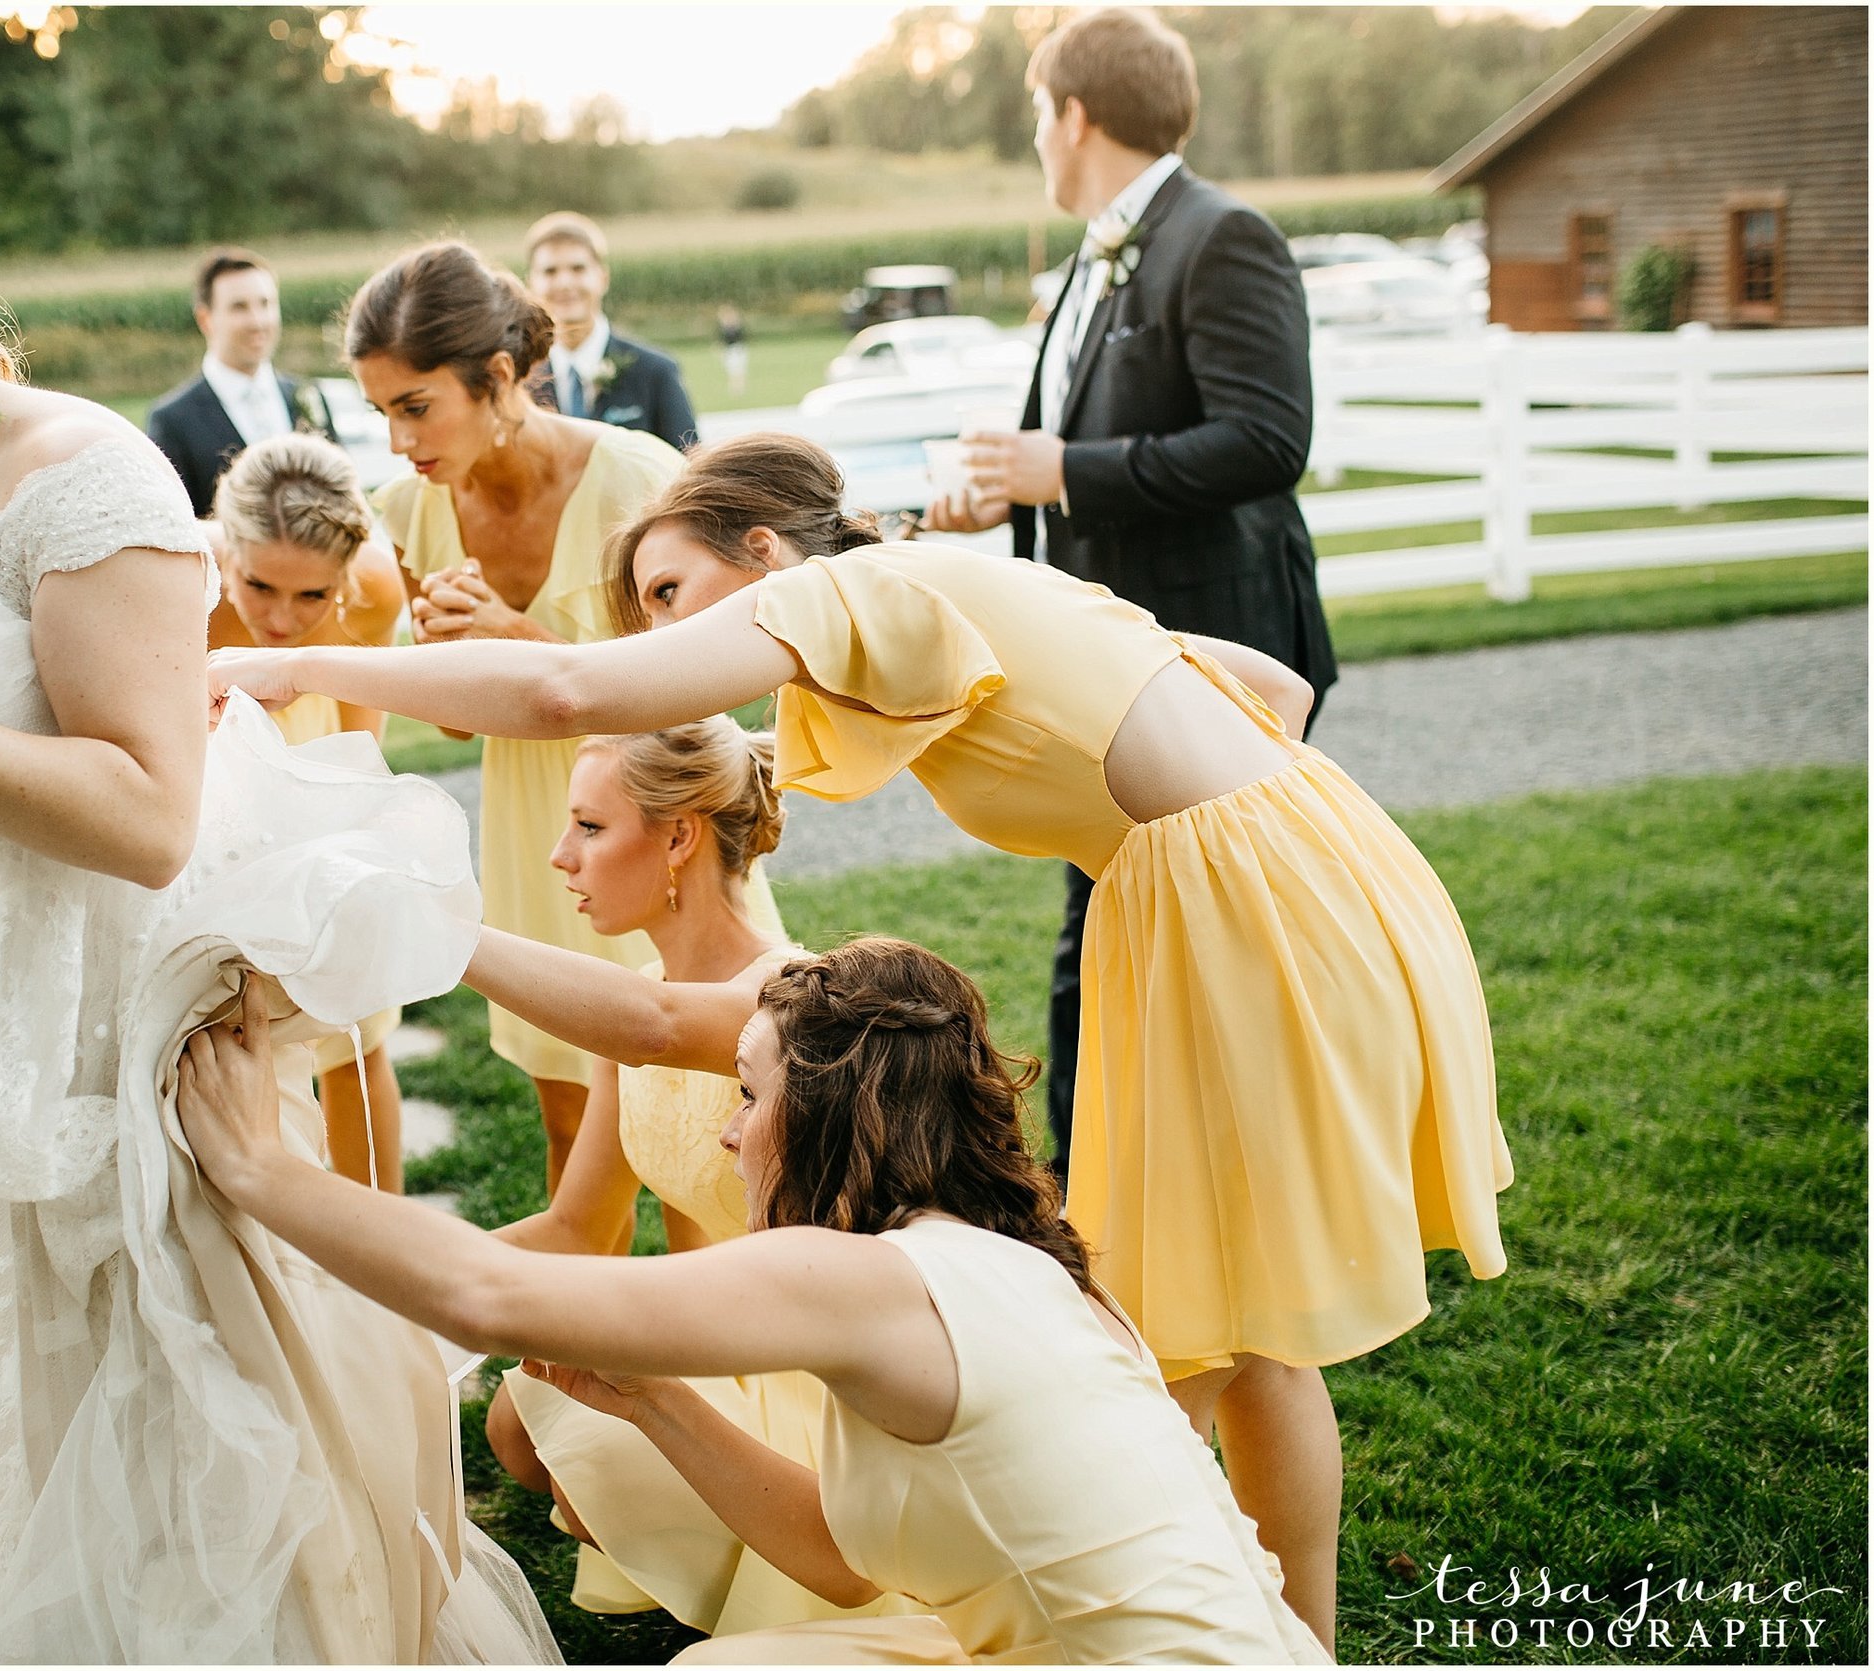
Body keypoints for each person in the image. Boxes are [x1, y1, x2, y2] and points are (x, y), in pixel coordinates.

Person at [206, 432, 1516, 1651]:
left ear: (765, 550)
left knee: (1211, 1320)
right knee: (1217, 1317)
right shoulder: (955, 600)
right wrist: (1229, 820)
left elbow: (562, 685)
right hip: (1277, 865)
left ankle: (1214, 1625)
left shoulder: (853, 590)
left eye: (671, 590)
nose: (663, 630)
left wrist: (288, 665)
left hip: (1221, 900)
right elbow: (1271, 686)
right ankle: (1214, 1614)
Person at [0, 120, 552, 1661]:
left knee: (193, 1508)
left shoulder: (84, 473)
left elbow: (144, 810)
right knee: (9, 1512)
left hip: (118, 1088)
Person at [177, 938, 1331, 1666]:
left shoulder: (864, 1277)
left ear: (831, 1112)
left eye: (748, 1092)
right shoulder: (1003, 1260)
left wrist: (260, 1171)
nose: (730, 1128)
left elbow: (490, 1295)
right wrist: (657, 1405)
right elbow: (839, 1559)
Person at [922, 7, 1338, 1196]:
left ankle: (1147, 1187)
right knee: (1111, 928)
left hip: (1216, 657)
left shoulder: (1221, 238)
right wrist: (1010, 500)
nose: (1034, 142)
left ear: (1074, 115)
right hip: (1112, 660)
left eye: (1034, 116)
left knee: (1204, 937)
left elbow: (1266, 440)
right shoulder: (1097, 253)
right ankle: (1106, 1181)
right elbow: (1083, 452)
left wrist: (1063, 471)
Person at [467, 721, 918, 1641]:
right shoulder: (637, 991)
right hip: (731, 1325)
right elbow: (576, 1226)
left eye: (590, 827)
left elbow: (657, 1026)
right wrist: (391, 1280)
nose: (560, 857)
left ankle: (760, 1542)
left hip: (827, 1361)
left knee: (569, 1431)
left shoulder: (790, 996)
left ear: (679, 838)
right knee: (519, 1424)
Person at [350, 239, 780, 1192]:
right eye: (381, 412)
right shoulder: (408, 510)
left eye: (415, 407)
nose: (397, 440)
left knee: (715, 1117)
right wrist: (454, 661)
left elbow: (713, 689)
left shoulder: (635, 478)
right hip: (538, 838)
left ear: (499, 376)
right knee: (569, 1114)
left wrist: (516, 634)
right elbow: (464, 726)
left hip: (663, 823)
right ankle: (586, 1341)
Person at [207, 433, 411, 1191]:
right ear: (226, 549)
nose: (283, 620)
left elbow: (362, 749)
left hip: (316, 774)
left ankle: (382, 1236)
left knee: (357, 1034)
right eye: (259, 586)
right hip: (211, 798)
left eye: (312, 596)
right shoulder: (177, 591)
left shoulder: (377, 591)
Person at [148, 245, 338, 516]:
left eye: (265, 304)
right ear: (206, 319)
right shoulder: (172, 421)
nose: (258, 321)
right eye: (239, 307)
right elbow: (174, 526)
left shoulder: (306, 395)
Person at [524, 211, 702, 452]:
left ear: (603, 278)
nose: (564, 283)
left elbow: (690, 471)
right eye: (550, 271)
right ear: (530, 284)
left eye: (578, 269)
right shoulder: (519, 383)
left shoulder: (657, 373)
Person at [715, 303, 749, 399]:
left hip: (738, 349)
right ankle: (734, 389)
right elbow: (722, 341)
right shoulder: (724, 328)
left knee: (740, 369)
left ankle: (740, 388)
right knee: (732, 370)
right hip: (730, 350)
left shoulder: (736, 327)